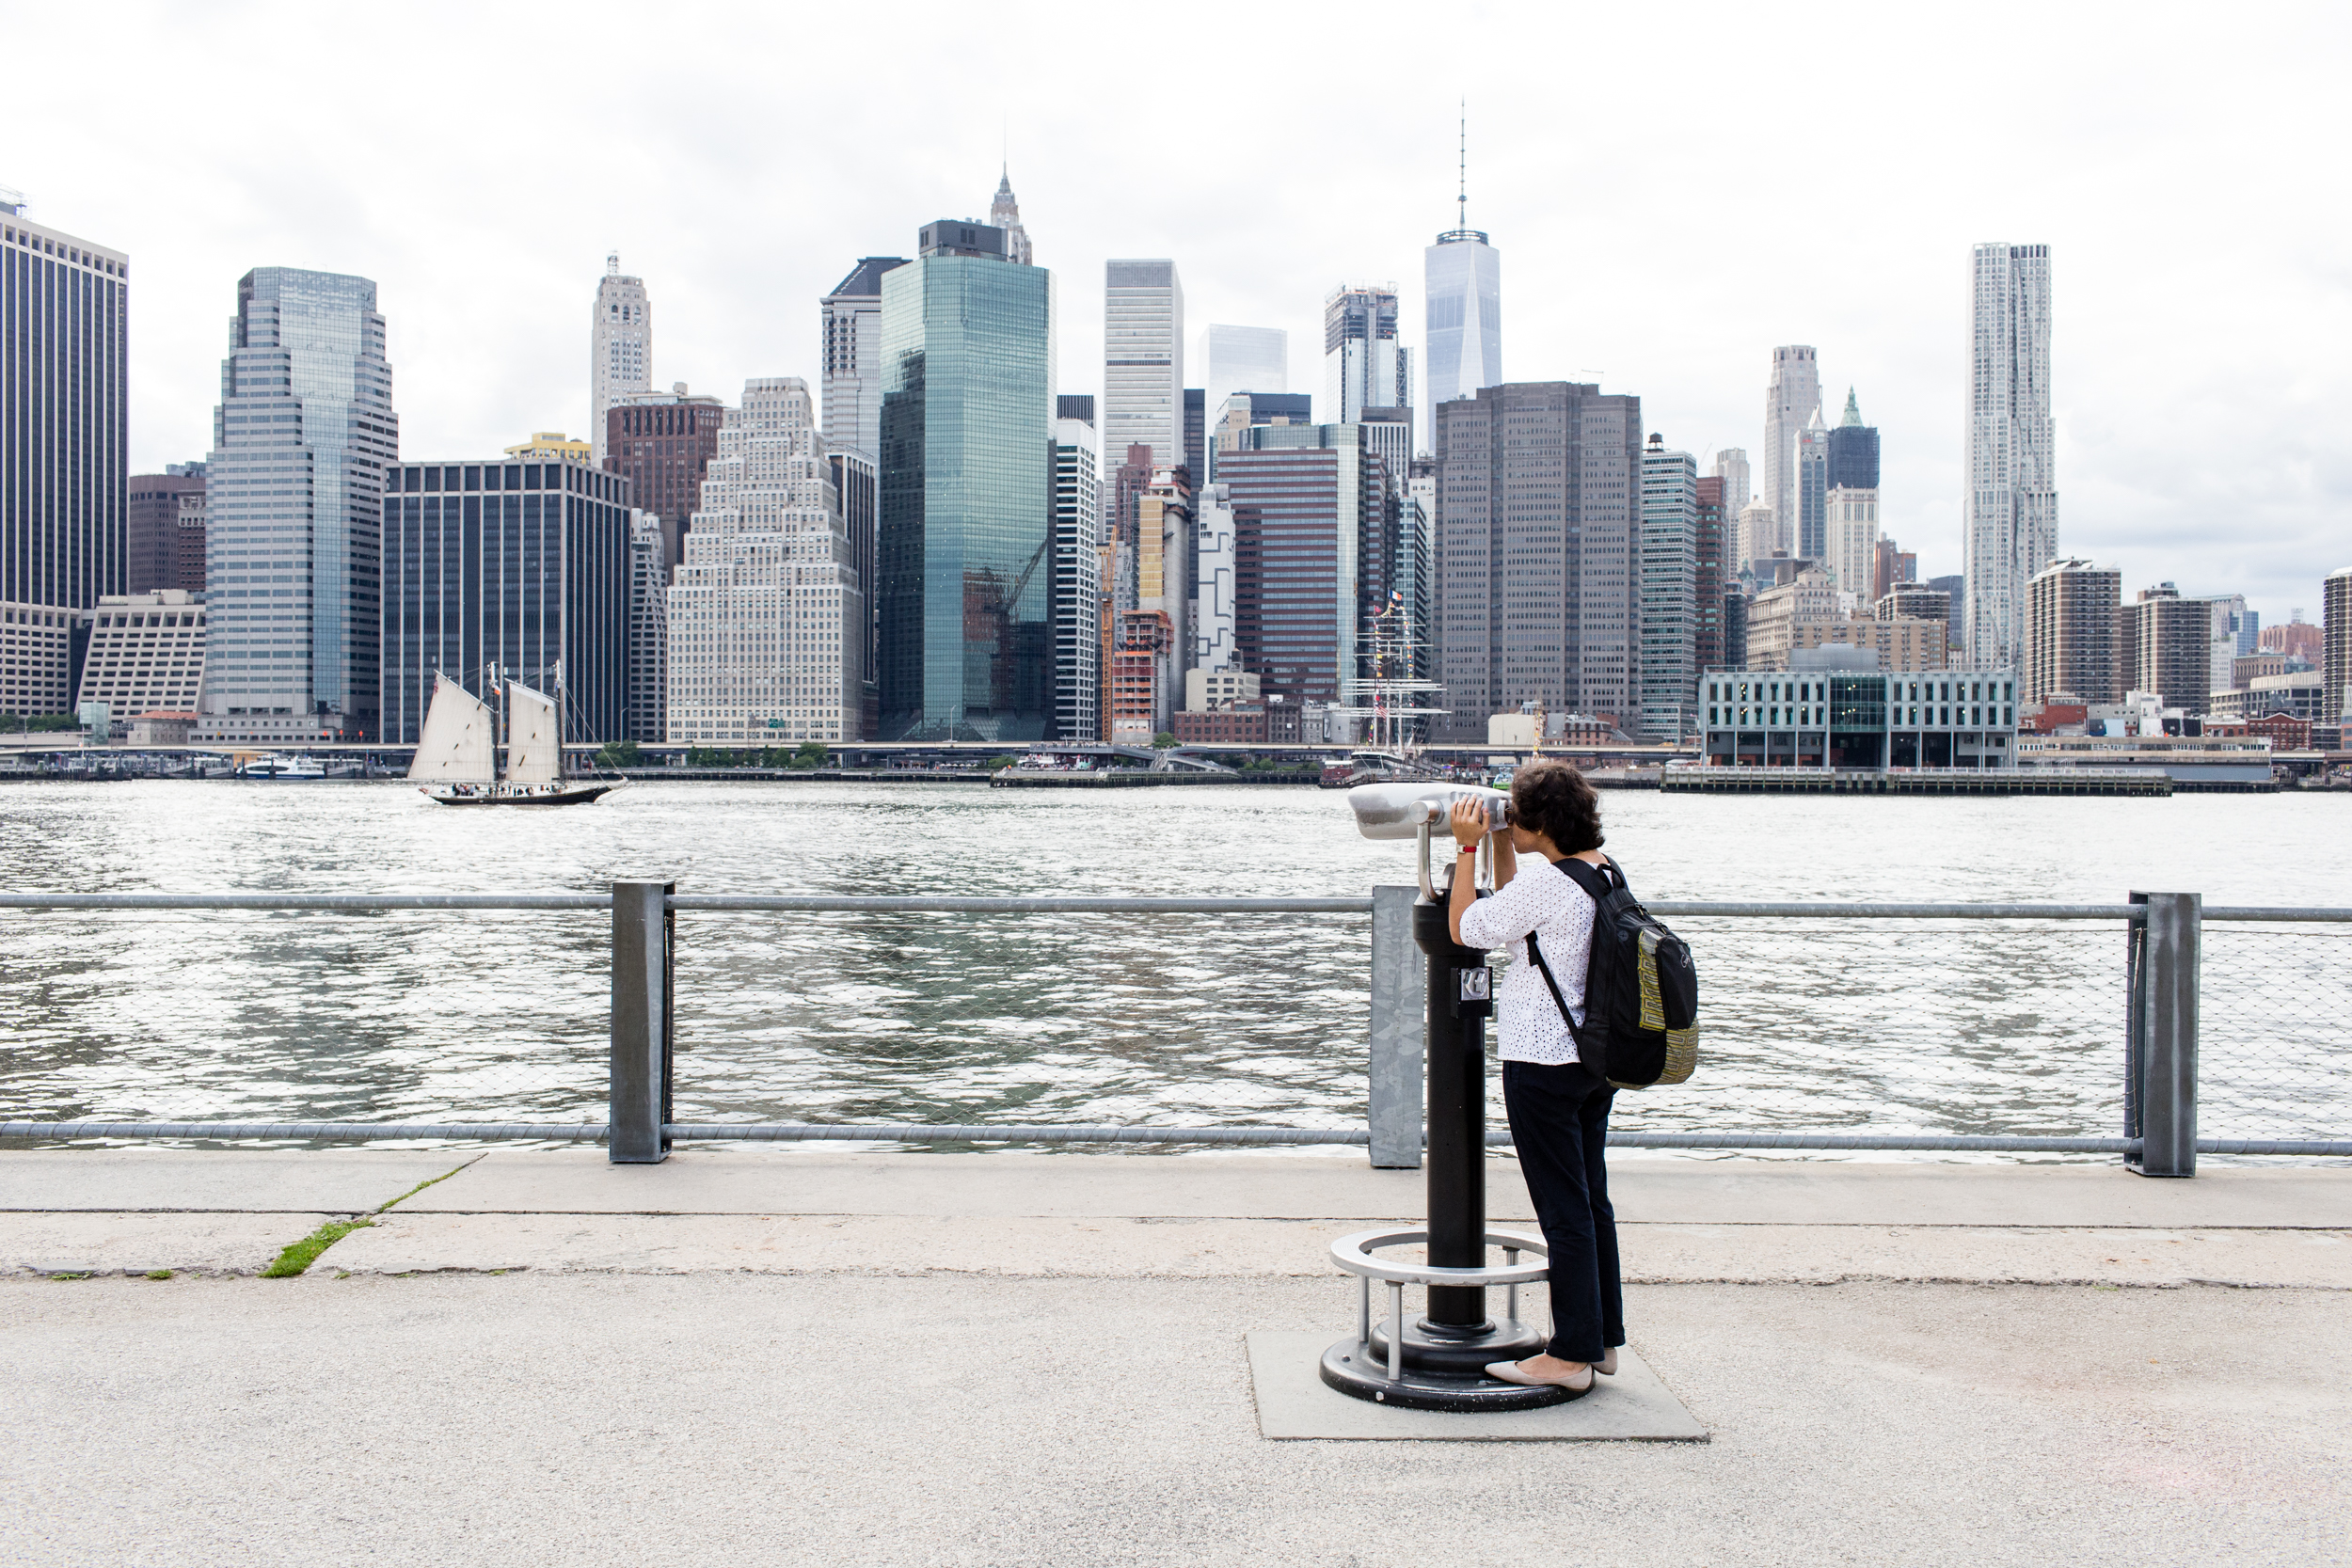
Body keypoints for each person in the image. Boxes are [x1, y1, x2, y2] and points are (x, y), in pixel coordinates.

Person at [1446, 759, 1622, 1395]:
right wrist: (1497, 840)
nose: (1509, 819)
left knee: (1563, 1211)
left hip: (1542, 1063)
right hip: (1592, 1062)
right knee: (1591, 1203)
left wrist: (1467, 846)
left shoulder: (1550, 883)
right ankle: (1600, 1338)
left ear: (1542, 821)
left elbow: (1468, 927)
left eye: (1515, 813)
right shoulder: (1600, 870)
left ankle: (1569, 1354)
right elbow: (1525, 922)